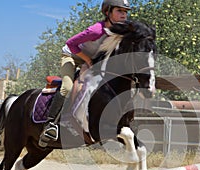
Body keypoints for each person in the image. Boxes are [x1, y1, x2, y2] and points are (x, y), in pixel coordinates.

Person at [39, 0, 131, 147]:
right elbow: (70, 43)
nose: (124, 15)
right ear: (108, 12)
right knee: (68, 87)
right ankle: (51, 124)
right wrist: (87, 61)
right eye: (119, 11)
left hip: (91, 61)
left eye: (125, 12)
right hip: (71, 56)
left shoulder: (120, 32)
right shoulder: (96, 30)